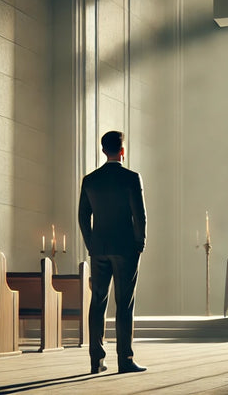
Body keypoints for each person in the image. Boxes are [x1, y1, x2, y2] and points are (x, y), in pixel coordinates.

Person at [78, 130, 147, 374]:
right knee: (124, 304)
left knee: (97, 302)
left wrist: (91, 245)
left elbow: (83, 216)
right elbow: (139, 215)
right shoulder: (131, 178)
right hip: (126, 249)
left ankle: (96, 361)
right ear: (122, 151)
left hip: (99, 250)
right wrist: (140, 243)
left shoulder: (90, 180)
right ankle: (125, 360)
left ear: (103, 150)